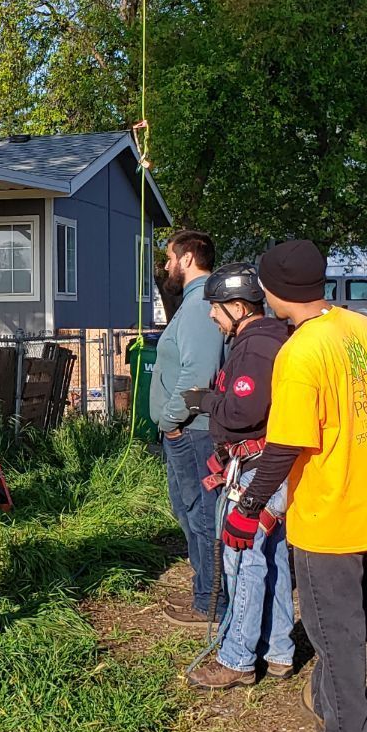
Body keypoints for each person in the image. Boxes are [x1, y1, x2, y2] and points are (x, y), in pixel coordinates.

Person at [223, 238, 367, 732]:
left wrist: (248, 508)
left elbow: (286, 445)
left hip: (330, 514)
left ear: (271, 290)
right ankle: (329, 698)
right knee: (350, 624)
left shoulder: (300, 353)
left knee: (336, 635)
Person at [186, 262, 295, 691]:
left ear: (237, 307)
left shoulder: (255, 347)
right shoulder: (271, 338)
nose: (212, 315)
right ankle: (279, 650)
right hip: (269, 467)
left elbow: (242, 410)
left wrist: (207, 401)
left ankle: (237, 659)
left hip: (257, 470)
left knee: (242, 560)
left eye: (216, 307)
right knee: (272, 557)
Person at [148, 229, 224, 624]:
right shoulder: (194, 302)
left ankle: (211, 601)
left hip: (194, 431)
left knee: (201, 513)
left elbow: (199, 374)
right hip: (187, 430)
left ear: (188, 257)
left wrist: (170, 421)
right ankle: (204, 592)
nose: (166, 266)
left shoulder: (199, 306)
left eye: (169, 258)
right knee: (189, 511)